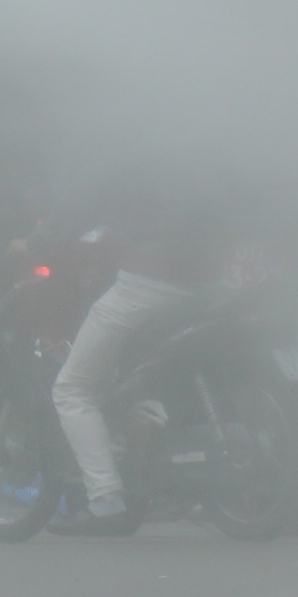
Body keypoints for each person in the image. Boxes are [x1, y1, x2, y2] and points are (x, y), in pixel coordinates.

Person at [49, 185, 223, 528]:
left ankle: (106, 500)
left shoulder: (131, 162)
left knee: (72, 389)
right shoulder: (210, 163)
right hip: (206, 290)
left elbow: (83, 195)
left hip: (145, 284)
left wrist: (41, 239)